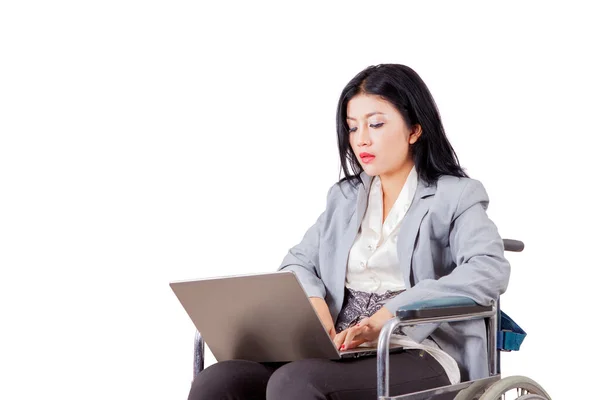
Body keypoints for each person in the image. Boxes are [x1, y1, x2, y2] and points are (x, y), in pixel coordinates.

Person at [187, 63, 510, 400]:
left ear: (415, 129)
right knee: (219, 381)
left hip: (416, 344)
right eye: (352, 128)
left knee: (296, 383)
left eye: (376, 124)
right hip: (340, 343)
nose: (361, 140)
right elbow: (298, 261)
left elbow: (488, 269)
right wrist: (315, 303)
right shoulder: (345, 198)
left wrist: (390, 314)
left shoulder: (455, 195)